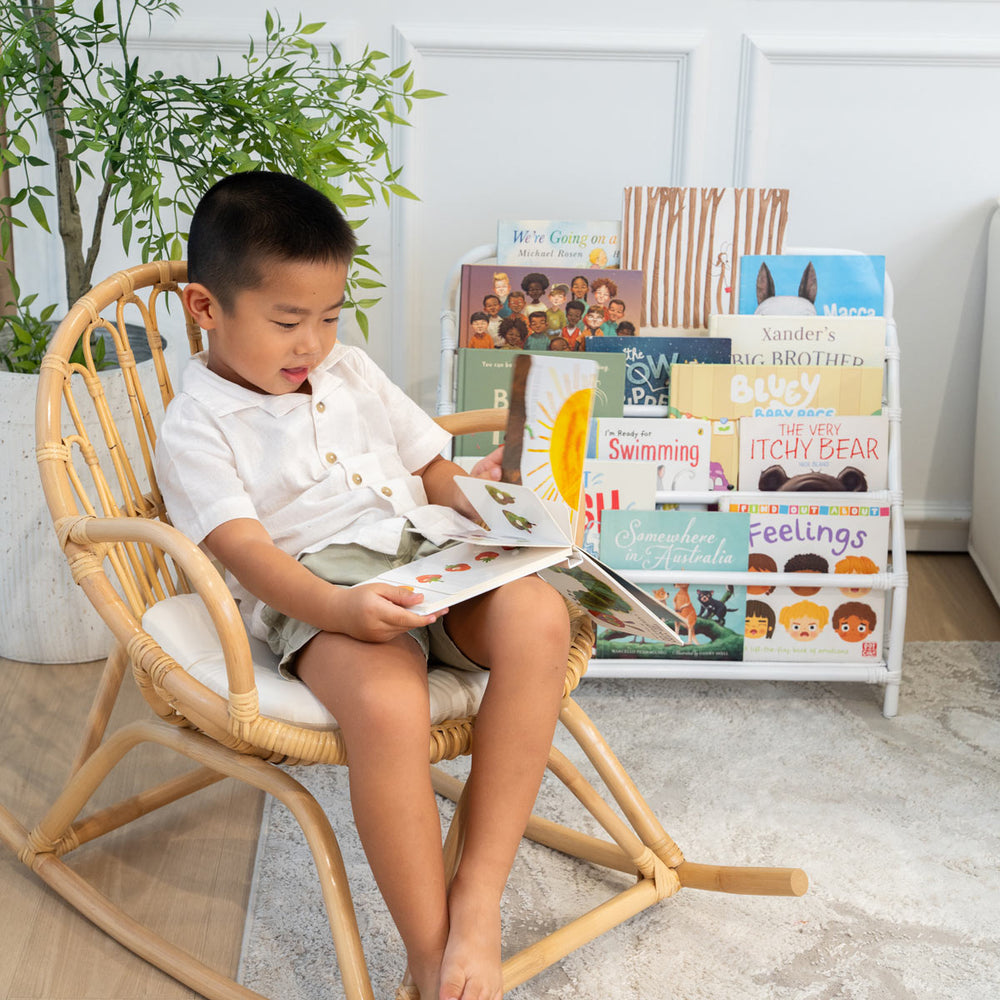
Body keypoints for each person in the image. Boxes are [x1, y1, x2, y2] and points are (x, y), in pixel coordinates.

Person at [154, 171, 571, 1000]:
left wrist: (491, 502)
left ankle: (477, 899)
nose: (312, 342)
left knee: (540, 616)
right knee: (387, 705)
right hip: (321, 590)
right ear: (206, 308)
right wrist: (339, 609)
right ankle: (428, 952)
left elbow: (434, 470)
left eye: (329, 317)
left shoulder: (349, 372)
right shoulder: (196, 424)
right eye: (287, 321)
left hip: (429, 551)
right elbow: (247, 555)